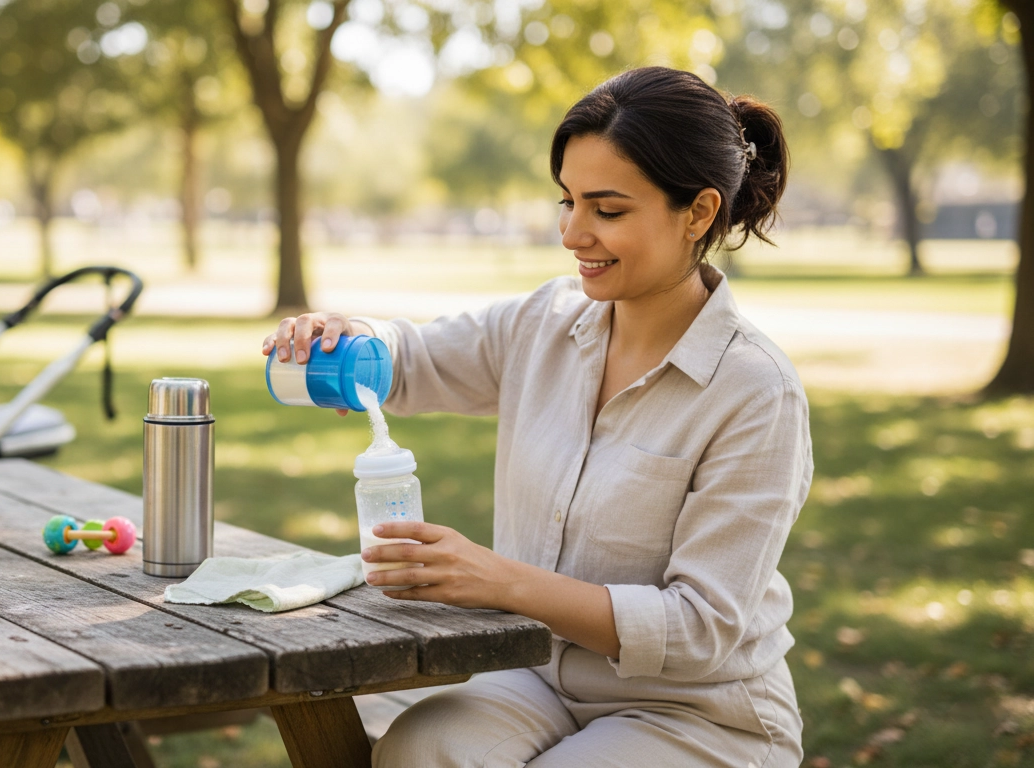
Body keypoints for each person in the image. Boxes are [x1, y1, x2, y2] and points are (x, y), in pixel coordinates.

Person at [263, 66, 811, 767]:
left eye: (607, 210)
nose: (573, 232)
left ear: (699, 213)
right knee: (418, 750)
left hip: (695, 708)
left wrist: (500, 582)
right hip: (540, 676)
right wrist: (345, 338)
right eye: (568, 201)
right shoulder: (545, 322)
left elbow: (701, 628)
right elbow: (415, 358)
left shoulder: (754, 392)